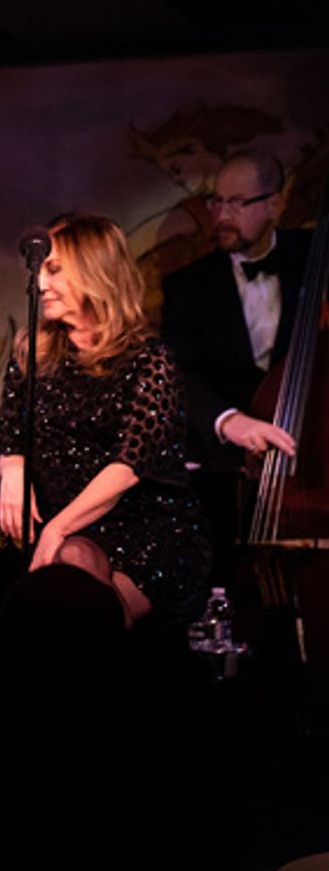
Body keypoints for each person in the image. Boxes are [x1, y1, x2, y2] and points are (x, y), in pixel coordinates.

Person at [0, 213, 212, 628]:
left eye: (55, 270)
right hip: (70, 530)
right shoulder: (32, 353)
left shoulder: (149, 360)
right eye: (40, 271)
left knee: (78, 586)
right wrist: (13, 472)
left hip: (144, 529)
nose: (41, 284)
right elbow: (11, 435)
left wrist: (57, 529)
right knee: (71, 563)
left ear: (95, 272)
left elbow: (129, 465)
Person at [161, 152, 310, 581]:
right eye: (217, 201)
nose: (222, 215)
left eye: (238, 203)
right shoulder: (187, 285)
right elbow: (180, 374)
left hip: (309, 460)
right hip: (224, 466)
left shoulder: (314, 258)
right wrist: (230, 421)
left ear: (274, 204)